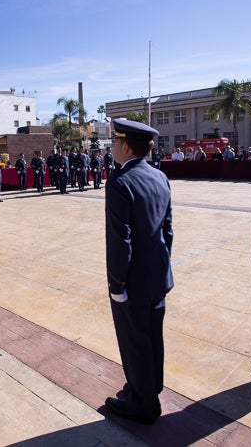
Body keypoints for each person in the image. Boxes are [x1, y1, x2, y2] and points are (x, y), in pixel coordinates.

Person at [104, 118, 173, 425]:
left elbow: (121, 239)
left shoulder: (120, 182)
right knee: (152, 336)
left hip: (132, 279)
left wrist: (117, 284)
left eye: (116, 143)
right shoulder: (160, 177)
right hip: (158, 274)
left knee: (134, 341)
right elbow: (167, 230)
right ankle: (147, 387)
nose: (113, 148)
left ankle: (143, 404)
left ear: (126, 146)